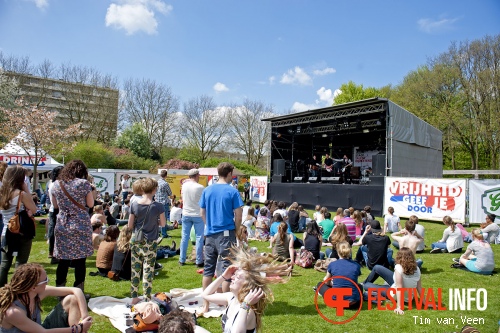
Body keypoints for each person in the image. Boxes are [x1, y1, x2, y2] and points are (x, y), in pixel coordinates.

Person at [201, 248, 290, 333]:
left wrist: (245, 305)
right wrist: (223, 276)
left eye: (237, 276)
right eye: (234, 275)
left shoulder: (248, 311)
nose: (232, 277)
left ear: (246, 285)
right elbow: (206, 295)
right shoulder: (231, 298)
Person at [199, 162, 243, 313]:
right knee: (227, 270)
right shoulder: (232, 191)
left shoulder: (207, 190)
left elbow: (202, 213)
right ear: (229, 173)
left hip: (210, 234)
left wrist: (209, 226)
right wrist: (237, 230)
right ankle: (226, 306)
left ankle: (205, 305)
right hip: (226, 234)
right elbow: (238, 215)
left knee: (208, 270)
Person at [0, 263, 93, 333]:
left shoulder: (36, 294)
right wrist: (78, 328)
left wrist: (84, 316)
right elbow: (43, 332)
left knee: (72, 299)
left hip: (41, 329)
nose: (48, 282)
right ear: (33, 287)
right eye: (45, 280)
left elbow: (76, 291)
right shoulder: (13, 312)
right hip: (41, 331)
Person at [50, 160, 97, 296]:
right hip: (80, 223)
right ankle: (79, 291)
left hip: (63, 223)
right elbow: (90, 203)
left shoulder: (56, 185)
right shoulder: (83, 184)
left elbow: (56, 206)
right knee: (80, 260)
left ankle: (60, 290)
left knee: (63, 259)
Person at [128, 177, 166, 304]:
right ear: (154, 189)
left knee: (135, 269)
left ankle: (134, 296)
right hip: (150, 241)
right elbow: (163, 224)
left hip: (136, 239)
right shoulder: (158, 206)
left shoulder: (134, 204)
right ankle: (147, 297)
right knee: (148, 269)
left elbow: (130, 225)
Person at [0, 166, 38, 287]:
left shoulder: (2, 193)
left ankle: (2, 290)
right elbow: (34, 209)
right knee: (21, 262)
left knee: (5, 264)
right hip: (21, 231)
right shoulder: (21, 194)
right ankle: (17, 288)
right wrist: (26, 189)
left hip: (6, 230)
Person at [362, 247, 422, 315]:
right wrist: (425, 302)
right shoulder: (417, 268)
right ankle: (369, 283)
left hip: (394, 294)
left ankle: (366, 285)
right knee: (377, 267)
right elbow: (419, 287)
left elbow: (400, 288)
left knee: (366, 286)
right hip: (408, 296)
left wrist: (399, 307)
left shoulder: (398, 267)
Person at [317, 242, 361, 310]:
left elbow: (327, 282)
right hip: (353, 303)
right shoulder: (356, 265)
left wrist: (332, 283)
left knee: (320, 284)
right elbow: (354, 280)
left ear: (338, 252)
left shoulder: (333, 264)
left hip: (336, 302)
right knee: (359, 286)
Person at [179, 169, 205, 268]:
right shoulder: (200, 187)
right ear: (197, 175)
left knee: (184, 237)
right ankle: (199, 260)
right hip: (197, 214)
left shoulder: (184, 186)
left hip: (186, 213)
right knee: (199, 238)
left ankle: (182, 259)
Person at [46, 166, 63, 264]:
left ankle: (53, 252)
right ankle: (53, 252)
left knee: (54, 231)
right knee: (54, 232)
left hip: (55, 209)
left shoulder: (52, 183)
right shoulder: (55, 184)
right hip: (56, 209)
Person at [156, 170, 173, 238]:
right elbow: (170, 193)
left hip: (157, 202)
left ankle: (157, 232)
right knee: (164, 218)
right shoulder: (165, 184)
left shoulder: (156, 182)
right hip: (164, 202)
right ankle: (164, 233)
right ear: (166, 175)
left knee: (157, 219)